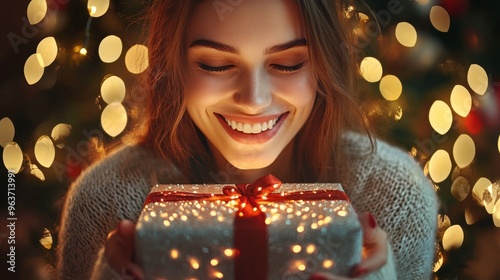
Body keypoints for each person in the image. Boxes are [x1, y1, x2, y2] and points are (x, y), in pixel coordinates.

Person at [57, 0, 438, 279]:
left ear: (324, 66)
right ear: (171, 67)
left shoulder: (391, 196)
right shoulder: (106, 201)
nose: (254, 101)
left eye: (287, 64)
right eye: (217, 65)